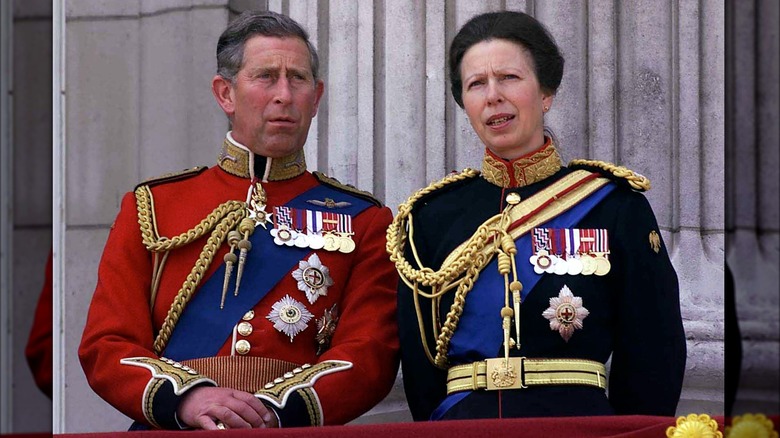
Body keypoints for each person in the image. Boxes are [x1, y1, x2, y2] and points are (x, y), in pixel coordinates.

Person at [79, 10, 399, 430]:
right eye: (266, 76)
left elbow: (370, 352)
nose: (284, 94)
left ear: (316, 97)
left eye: (297, 78)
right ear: (225, 93)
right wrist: (187, 398)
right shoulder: (154, 206)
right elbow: (107, 344)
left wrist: (275, 408)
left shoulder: (365, 220)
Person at [387, 11, 686, 421]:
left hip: (577, 426)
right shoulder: (430, 216)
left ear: (546, 92)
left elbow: (653, 349)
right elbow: (421, 365)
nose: (493, 95)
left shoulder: (613, 205)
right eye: (476, 84)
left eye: (509, 77)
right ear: (466, 104)